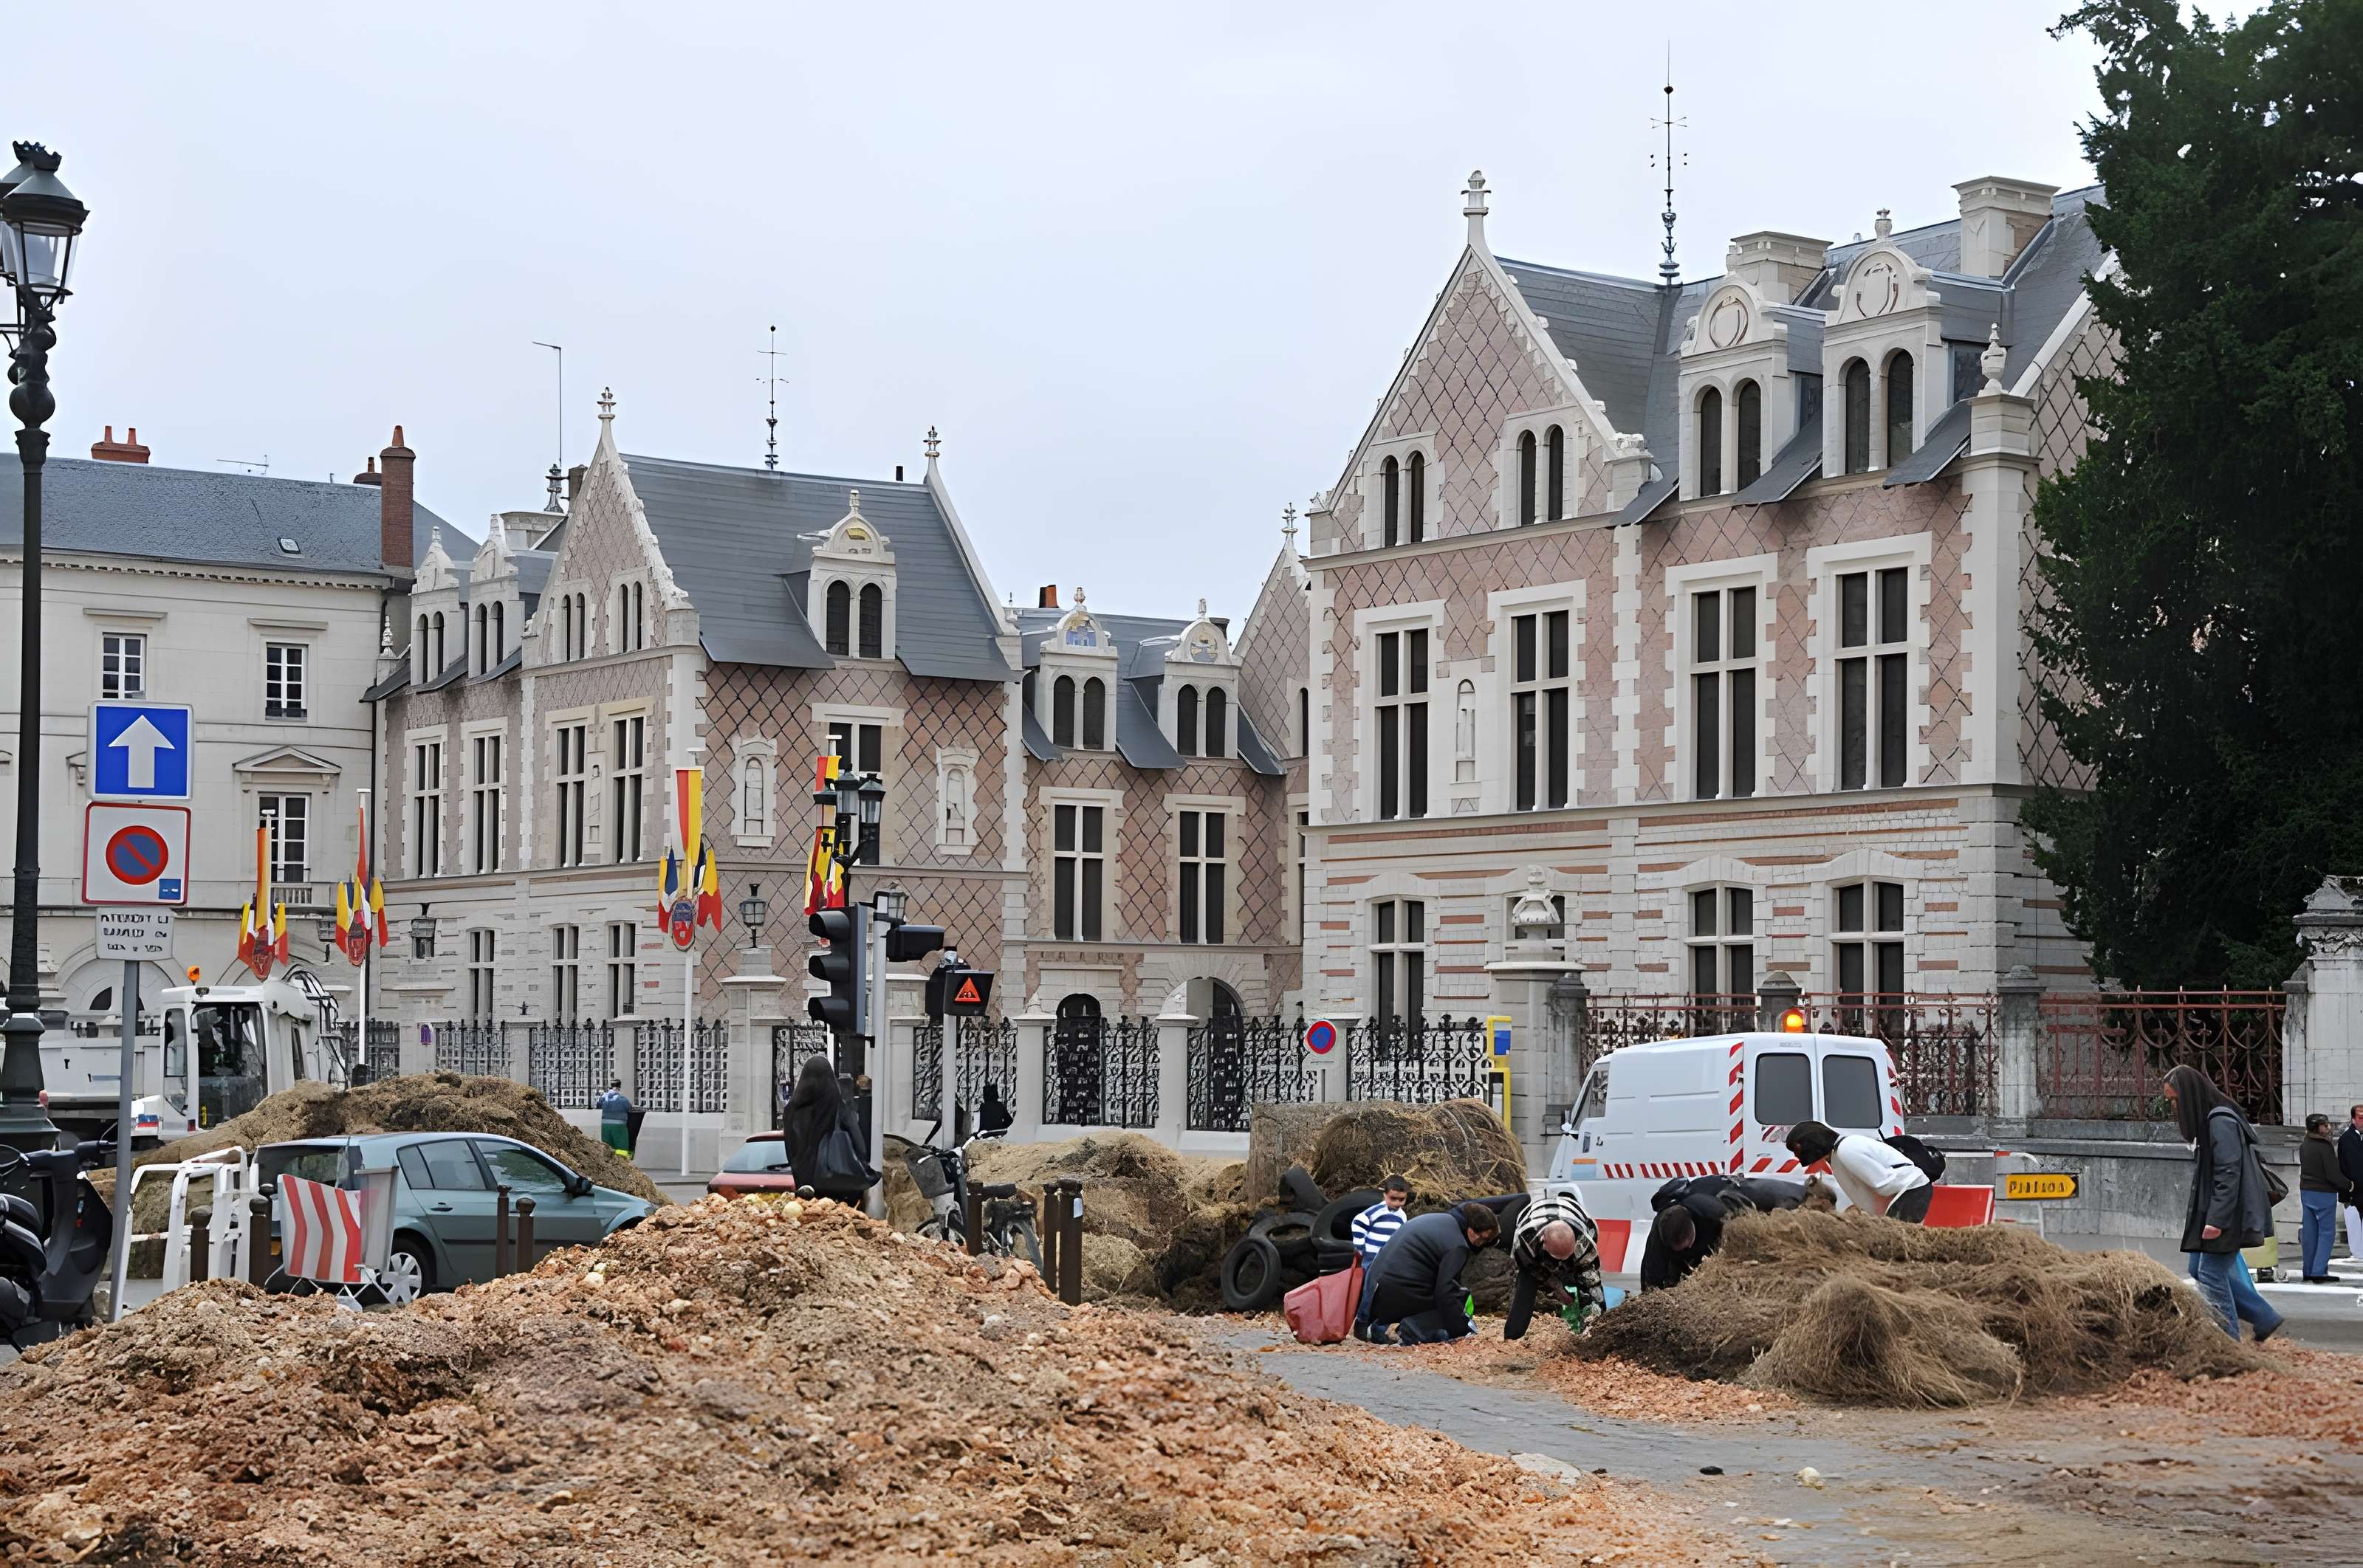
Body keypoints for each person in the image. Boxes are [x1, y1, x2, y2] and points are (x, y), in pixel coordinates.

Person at [2165, 1064, 2278, 1341]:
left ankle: (2229, 1341)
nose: (2173, 1107)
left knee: (2212, 1274)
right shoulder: (2211, 1121)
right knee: (2198, 1269)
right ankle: (2263, 1317)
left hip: (2227, 1215)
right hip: (2216, 1212)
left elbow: (2229, 1174)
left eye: (2175, 1100)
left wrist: (2216, 1220)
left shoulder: (2220, 1122)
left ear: (2189, 1096)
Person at [1354, 1201, 1501, 1345]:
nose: (1480, 1243)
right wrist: (1463, 1328)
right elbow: (1446, 1292)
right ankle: (1413, 1329)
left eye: (1486, 1241)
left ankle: (1376, 1328)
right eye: (1481, 1237)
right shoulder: (1457, 1246)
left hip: (1375, 1290)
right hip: (1396, 1294)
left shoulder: (1441, 1220)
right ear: (1471, 1228)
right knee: (1456, 1301)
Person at [1638, 1175, 1807, 1291]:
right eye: (1680, 1249)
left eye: (1687, 1245)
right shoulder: (1660, 1232)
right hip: (1687, 1248)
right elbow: (1651, 1274)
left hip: (1718, 1224)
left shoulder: (1724, 1213)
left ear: (1693, 1231)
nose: (1685, 1249)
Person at [1784, 1120, 1934, 1223]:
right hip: (1906, 1192)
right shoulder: (1838, 1154)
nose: (1797, 1156)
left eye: (1798, 1149)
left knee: (1895, 1244)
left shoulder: (1847, 1149)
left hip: (1909, 1190)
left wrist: (1878, 1219)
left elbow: (1883, 1184)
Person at [1503, 1191, 1603, 1340]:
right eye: (1557, 1258)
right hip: (1534, 1222)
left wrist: (1593, 1327)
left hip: (1574, 1216)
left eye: (1567, 1257)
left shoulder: (1586, 1239)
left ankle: (1593, 1332)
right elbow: (1535, 1271)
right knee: (1526, 1284)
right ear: (1544, 1242)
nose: (1561, 1263)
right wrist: (1558, 1289)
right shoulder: (1525, 1240)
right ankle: (1513, 1335)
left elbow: (1593, 1283)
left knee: (1588, 1286)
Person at [781, 1056, 874, 1205]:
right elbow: (861, 1147)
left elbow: (791, 1150)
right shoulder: (840, 1109)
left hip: (806, 1187)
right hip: (841, 1187)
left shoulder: (791, 1111)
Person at [2299, 1112, 2351, 1283]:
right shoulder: (2324, 1146)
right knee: (2327, 1233)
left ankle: (2308, 1270)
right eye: (2325, 1125)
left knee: (2310, 1232)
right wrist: (2348, 1185)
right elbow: (2332, 1173)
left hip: (2306, 1191)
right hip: (2324, 1193)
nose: (2328, 1128)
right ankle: (2319, 1271)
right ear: (2317, 1127)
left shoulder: (2305, 1144)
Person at [1351, 1175, 1412, 1264]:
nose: (1397, 1203)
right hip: (1370, 1258)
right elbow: (1358, 1222)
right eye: (1393, 1199)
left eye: (1401, 1199)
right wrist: (1360, 1247)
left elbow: (1401, 1235)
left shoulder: (1402, 1216)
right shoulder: (1378, 1211)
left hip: (1387, 1259)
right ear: (1385, 1195)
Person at [2338, 1104, 2363, 1265]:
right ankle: (2357, 1252)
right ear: (2353, 1119)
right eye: (2361, 1118)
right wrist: (2347, 1189)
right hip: (2353, 1188)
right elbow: (2345, 1165)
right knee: (2354, 1222)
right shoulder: (2347, 1139)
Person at [596, 1080, 634, 1157]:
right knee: (621, 1148)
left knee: (607, 1147)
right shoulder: (623, 1099)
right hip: (619, 1126)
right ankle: (622, 1163)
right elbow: (629, 1108)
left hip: (604, 1125)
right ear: (619, 1087)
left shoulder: (603, 1097)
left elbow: (598, 1106)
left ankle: (608, 1164)